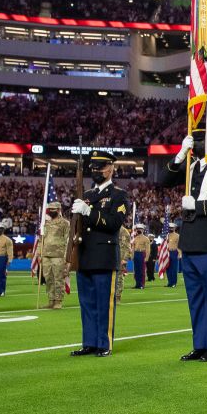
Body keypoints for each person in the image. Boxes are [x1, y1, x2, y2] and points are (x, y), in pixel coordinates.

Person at [159, 128, 207, 362]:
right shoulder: (191, 167)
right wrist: (180, 154)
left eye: (203, 139)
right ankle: (199, 344)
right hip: (190, 239)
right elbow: (164, 180)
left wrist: (200, 205)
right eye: (196, 139)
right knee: (195, 297)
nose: (199, 143)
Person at [69, 150, 129, 357]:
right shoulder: (87, 195)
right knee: (87, 303)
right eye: (94, 167)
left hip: (104, 256)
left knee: (104, 303)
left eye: (101, 167)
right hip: (84, 255)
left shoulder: (118, 195)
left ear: (111, 168)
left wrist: (89, 212)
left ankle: (104, 343)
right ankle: (89, 342)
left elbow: (114, 223)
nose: (96, 170)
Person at [39, 201, 70, 309]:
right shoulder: (46, 223)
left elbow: (68, 240)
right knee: (48, 279)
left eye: (53, 209)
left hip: (59, 255)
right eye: (49, 209)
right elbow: (41, 240)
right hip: (46, 254)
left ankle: (58, 301)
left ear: (59, 210)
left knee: (58, 279)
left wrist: (67, 256)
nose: (51, 211)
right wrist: (39, 254)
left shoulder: (65, 223)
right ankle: (51, 300)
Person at [131, 223, 151, 289]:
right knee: (136, 270)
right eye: (137, 229)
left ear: (143, 230)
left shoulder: (146, 239)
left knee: (142, 270)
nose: (138, 230)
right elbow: (133, 248)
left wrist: (147, 257)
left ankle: (142, 284)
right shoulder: (135, 238)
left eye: (140, 229)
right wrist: (132, 255)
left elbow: (148, 249)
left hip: (142, 254)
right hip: (136, 254)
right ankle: (137, 284)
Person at [115, 225, 131, 304]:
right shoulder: (113, 229)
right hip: (112, 257)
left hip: (120, 258)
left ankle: (118, 297)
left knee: (119, 278)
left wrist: (124, 259)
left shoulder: (123, 231)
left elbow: (127, 246)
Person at [164, 222, 180, 288]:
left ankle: (174, 283)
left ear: (175, 228)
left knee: (174, 268)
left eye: (172, 228)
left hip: (174, 252)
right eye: (170, 227)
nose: (170, 228)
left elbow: (179, 246)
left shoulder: (177, 236)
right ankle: (169, 282)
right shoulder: (167, 235)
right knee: (168, 268)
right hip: (167, 252)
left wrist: (180, 254)